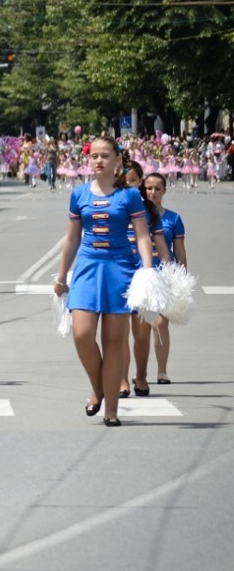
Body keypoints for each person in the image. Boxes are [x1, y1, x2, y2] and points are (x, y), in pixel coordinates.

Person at [52, 137, 155, 428]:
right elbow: (72, 239)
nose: (98, 160)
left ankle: (111, 409)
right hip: (87, 268)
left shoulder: (130, 195)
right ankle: (98, 388)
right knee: (82, 334)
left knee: (113, 342)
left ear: (117, 160)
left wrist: (147, 270)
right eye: (94, 155)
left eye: (105, 155)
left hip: (120, 269)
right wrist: (62, 276)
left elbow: (142, 235)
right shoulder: (79, 193)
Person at [120, 164, 173, 397]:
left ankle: (141, 375)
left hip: (143, 276)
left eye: (132, 180)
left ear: (139, 181)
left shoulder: (149, 211)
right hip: (118, 274)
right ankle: (122, 379)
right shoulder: (111, 207)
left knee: (141, 334)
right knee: (118, 333)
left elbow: (161, 247)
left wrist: (169, 277)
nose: (127, 185)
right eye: (123, 181)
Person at [139, 172, 186, 387]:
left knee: (160, 323)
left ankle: (162, 371)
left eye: (157, 188)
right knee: (140, 327)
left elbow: (180, 250)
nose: (153, 192)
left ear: (164, 191)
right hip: (140, 275)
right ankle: (140, 372)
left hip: (164, 276)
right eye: (149, 188)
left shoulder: (173, 219)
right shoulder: (135, 215)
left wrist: (181, 278)